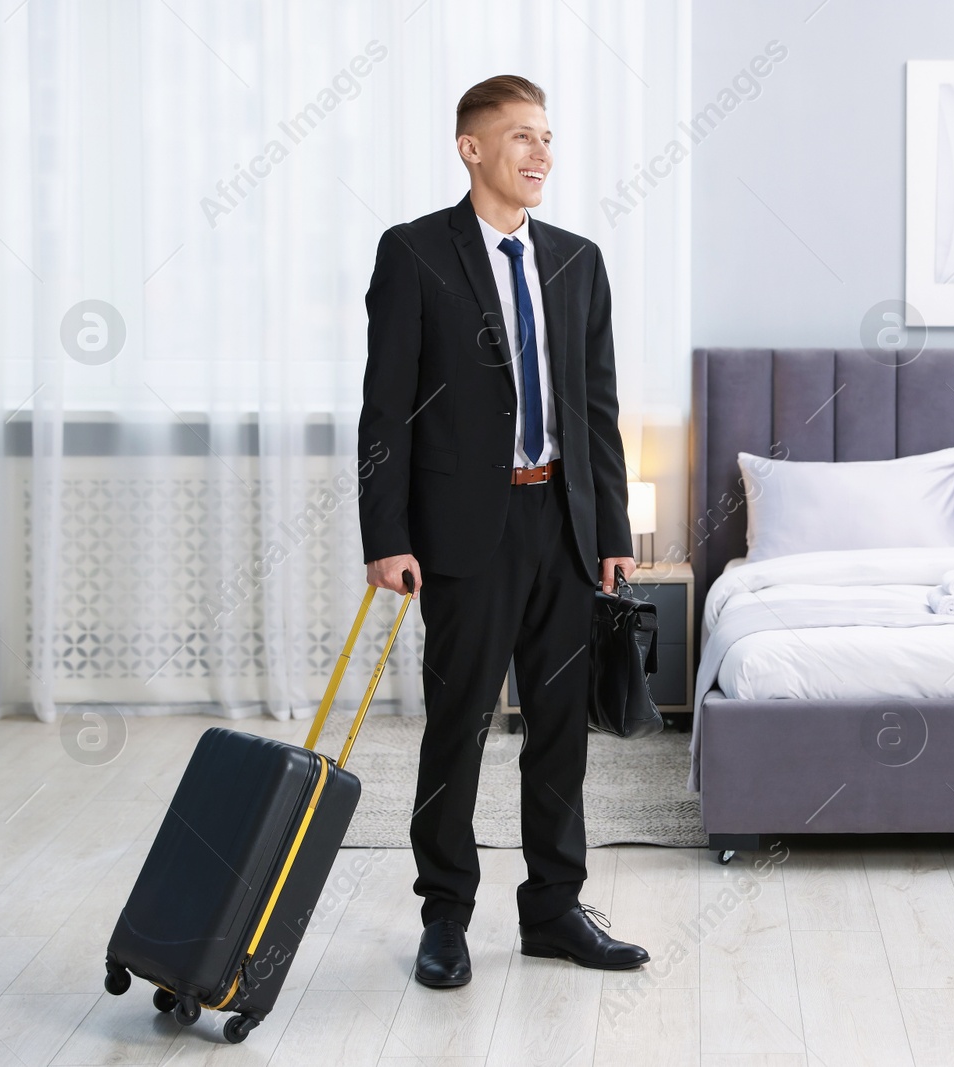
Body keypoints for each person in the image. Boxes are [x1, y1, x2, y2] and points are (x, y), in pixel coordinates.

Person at [357, 74, 648, 987]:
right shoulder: (414, 253)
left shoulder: (577, 258)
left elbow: (596, 407)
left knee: (562, 727)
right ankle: (445, 914)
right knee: (460, 724)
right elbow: (384, 411)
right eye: (520, 137)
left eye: (549, 138)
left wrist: (613, 529)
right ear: (471, 147)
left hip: (561, 519)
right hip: (461, 531)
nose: (540, 154)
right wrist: (385, 534)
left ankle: (555, 909)